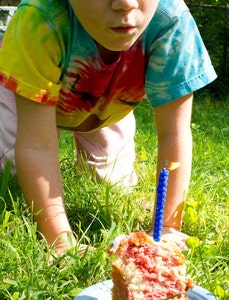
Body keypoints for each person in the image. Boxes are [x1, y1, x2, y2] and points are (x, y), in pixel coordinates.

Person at [0, 0, 217, 257]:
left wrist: (168, 227)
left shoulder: (170, 22)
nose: (126, 3)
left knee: (112, 183)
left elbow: (174, 132)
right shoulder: (39, 19)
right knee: (10, 173)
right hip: (30, 98)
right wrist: (60, 240)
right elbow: (36, 145)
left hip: (109, 103)